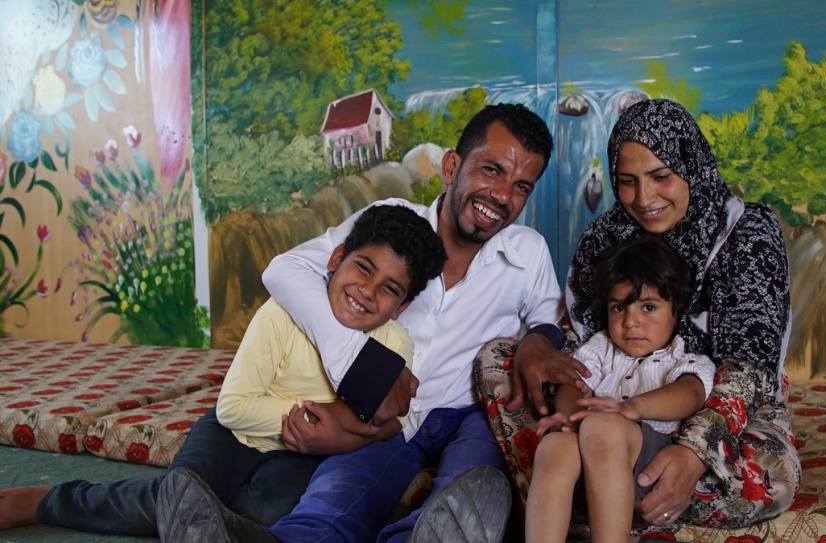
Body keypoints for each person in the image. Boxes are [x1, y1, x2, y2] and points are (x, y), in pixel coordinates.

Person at [156, 102, 563, 543]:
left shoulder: (528, 251)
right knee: (337, 493)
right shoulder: (392, 222)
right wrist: (360, 365)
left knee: (476, 478)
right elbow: (284, 270)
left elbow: (548, 317)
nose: (503, 196)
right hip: (382, 417)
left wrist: (539, 340)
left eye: (522, 186)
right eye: (490, 170)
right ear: (451, 166)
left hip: (467, 413)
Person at [0, 204, 446, 536]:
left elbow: (396, 422)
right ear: (336, 259)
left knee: (265, 515)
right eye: (363, 268)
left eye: (389, 289)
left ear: (402, 306)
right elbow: (234, 408)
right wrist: (326, 419)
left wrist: (349, 436)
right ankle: (47, 500)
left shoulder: (393, 343)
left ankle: (209, 524)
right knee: (183, 493)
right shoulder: (283, 313)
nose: (367, 292)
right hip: (231, 433)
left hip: (302, 454)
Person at [483, 98, 800, 531]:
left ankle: (597, 495)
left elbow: (748, 371)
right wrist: (545, 353)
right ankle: (588, 486)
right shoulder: (606, 236)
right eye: (627, 181)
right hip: (607, 415)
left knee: (766, 481)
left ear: (691, 164)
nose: (644, 198)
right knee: (501, 360)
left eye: (661, 176)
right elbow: (584, 344)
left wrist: (693, 453)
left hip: (722, 416)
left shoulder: (746, 234)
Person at [526, 237, 715, 543]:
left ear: (676, 311)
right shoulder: (601, 348)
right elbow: (572, 384)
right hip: (590, 476)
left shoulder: (680, 357)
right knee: (555, 445)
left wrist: (633, 408)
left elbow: (690, 394)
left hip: (646, 470)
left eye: (649, 307)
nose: (631, 323)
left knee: (604, 425)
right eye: (619, 308)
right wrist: (572, 415)